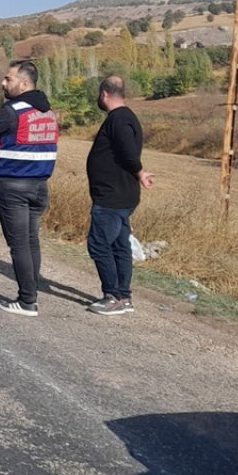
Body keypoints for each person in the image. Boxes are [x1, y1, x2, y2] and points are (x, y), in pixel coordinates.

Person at [0, 60, 60, 317]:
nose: (3, 83)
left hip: (13, 186)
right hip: (40, 187)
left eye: (8, 79)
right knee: (31, 240)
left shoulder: (11, 111)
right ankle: (31, 292)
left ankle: (27, 301)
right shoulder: (48, 112)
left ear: (24, 83)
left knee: (19, 245)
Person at [86, 76, 155, 316]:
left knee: (99, 244)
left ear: (104, 94)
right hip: (119, 195)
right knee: (119, 246)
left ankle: (114, 295)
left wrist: (139, 172)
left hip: (112, 197)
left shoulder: (120, 119)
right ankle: (123, 296)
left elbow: (127, 151)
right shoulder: (125, 117)